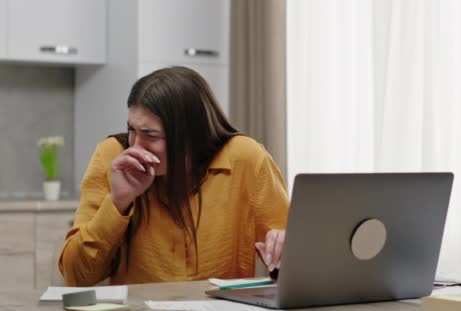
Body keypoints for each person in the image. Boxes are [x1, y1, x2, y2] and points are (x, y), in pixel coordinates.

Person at [59, 66, 289, 286]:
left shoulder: (246, 159)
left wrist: (283, 248)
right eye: (132, 130)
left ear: (192, 135)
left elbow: (292, 262)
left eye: (150, 134)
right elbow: (76, 276)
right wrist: (118, 202)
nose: (136, 146)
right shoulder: (112, 157)